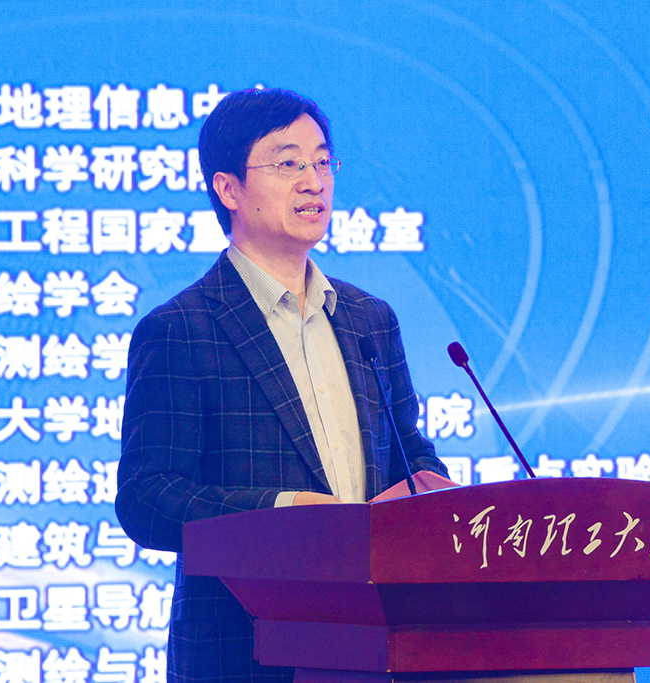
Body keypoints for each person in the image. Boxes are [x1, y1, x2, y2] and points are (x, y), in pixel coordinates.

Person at [115, 88, 449, 683]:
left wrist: (428, 490)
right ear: (228, 189)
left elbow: (410, 451)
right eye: (288, 163)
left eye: (322, 162)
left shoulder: (370, 320)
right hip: (244, 651)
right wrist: (283, 512)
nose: (313, 182)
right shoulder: (181, 329)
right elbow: (148, 499)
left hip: (377, 646)